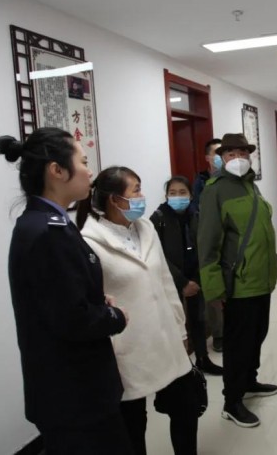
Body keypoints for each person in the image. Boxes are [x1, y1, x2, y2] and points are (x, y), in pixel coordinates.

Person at [0, 128, 133, 455]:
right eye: (83, 162)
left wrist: (95, 300)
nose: (90, 171)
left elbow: (61, 295)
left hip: (74, 389)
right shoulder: (46, 232)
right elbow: (73, 319)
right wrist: (115, 316)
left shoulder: (48, 222)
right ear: (57, 170)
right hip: (74, 393)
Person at [77, 166, 199, 455]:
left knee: (186, 407)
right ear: (114, 199)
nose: (142, 197)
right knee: (133, 424)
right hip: (127, 348)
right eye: (136, 190)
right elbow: (94, 302)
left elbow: (165, 281)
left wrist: (181, 329)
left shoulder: (146, 228)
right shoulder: (89, 242)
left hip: (165, 337)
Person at [198, 133, 277, 428]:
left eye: (243, 153)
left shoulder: (250, 184)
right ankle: (231, 402)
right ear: (222, 158)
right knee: (238, 344)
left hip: (261, 279)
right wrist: (214, 289)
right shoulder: (215, 190)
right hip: (238, 284)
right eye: (231, 154)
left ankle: (249, 381)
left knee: (257, 334)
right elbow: (207, 243)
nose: (238, 159)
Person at [150, 175, 223, 375]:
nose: (177, 197)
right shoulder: (158, 219)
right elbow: (157, 254)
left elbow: (205, 247)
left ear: (191, 195)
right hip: (172, 280)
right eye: (172, 193)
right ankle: (179, 367)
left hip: (195, 278)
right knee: (175, 322)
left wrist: (197, 280)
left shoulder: (196, 215)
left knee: (198, 320)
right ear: (166, 196)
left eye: (182, 192)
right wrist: (182, 282)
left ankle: (202, 359)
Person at [192, 138, 224, 353]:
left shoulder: (231, 179)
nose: (220, 157)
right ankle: (219, 334)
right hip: (210, 241)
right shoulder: (200, 183)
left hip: (229, 242)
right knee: (213, 291)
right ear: (207, 158)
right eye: (216, 153)